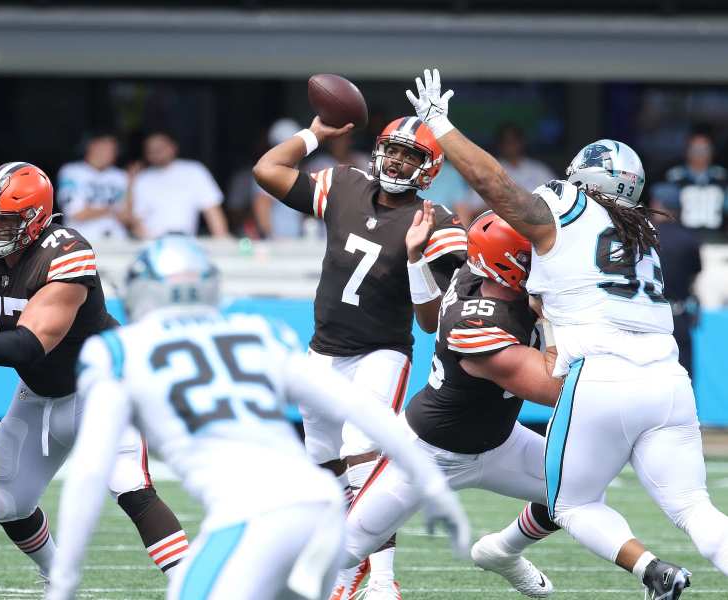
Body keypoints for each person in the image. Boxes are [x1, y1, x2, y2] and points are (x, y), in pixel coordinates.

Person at [408, 67, 728, 598]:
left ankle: (646, 574)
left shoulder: (566, 203)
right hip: (669, 381)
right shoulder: (645, 235)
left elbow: (496, 186)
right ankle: (502, 550)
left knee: (572, 503)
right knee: (696, 508)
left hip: (601, 378)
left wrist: (440, 126)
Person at [43, 234, 470, 600]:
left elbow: (89, 469)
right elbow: (359, 408)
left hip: (252, 518)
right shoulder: (256, 331)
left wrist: (64, 578)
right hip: (323, 513)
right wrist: (429, 483)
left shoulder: (117, 350)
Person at [0, 162, 189, 584]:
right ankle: (58, 577)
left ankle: (197, 583)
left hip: (101, 386)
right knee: (7, 504)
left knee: (131, 487)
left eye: (5, 220)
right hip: (38, 391)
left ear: (35, 218)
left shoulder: (65, 251)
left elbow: (27, 344)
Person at [254, 115, 467, 598]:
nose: (396, 160)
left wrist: (415, 258)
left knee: (362, 456)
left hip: (381, 352)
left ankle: (382, 581)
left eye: (410, 154)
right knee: (323, 460)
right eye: (392, 149)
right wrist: (316, 135)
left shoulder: (435, 221)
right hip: (324, 349)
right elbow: (268, 170)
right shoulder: (344, 185)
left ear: (428, 167)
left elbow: (431, 321)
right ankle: (348, 557)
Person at [335, 212, 563, 599]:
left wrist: (415, 260)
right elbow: (554, 389)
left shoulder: (472, 270)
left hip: (500, 442)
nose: (540, 264)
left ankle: (503, 551)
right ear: (508, 262)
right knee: (346, 548)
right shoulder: (476, 319)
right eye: (530, 257)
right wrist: (553, 320)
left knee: (579, 488)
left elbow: (425, 318)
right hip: (428, 451)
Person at [129, 131, 229, 239]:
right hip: (151, 245)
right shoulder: (142, 179)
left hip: (186, 243)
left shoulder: (194, 171)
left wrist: (222, 241)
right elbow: (136, 220)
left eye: (160, 147)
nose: (156, 152)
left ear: (173, 147)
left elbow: (212, 210)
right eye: (151, 150)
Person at [649, 182, 702, 378]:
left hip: (646, 318)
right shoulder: (689, 239)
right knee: (683, 380)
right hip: (677, 316)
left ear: (655, 203)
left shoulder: (641, 234)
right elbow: (694, 275)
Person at [460, 124, 555, 226]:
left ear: (522, 142)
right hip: (497, 229)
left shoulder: (538, 169)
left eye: (514, 141)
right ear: (499, 144)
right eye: (506, 142)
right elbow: (472, 211)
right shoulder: (488, 170)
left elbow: (557, 202)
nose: (511, 145)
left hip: (538, 228)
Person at [56, 131, 133, 242]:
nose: (109, 153)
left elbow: (127, 217)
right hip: (81, 241)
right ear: (92, 147)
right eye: (104, 147)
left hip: (117, 241)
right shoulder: (71, 171)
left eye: (112, 150)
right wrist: (111, 210)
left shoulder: (120, 176)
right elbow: (75, 212)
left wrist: (131, 184)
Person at [664, 130, 728, 237]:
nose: (700, 154)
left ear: (712, 152)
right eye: (695, 150)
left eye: (704, 150)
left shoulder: (722, 177)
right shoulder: (675, 177)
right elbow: (664, 208)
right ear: (687, 151)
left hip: (717, 238)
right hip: (684, 237)